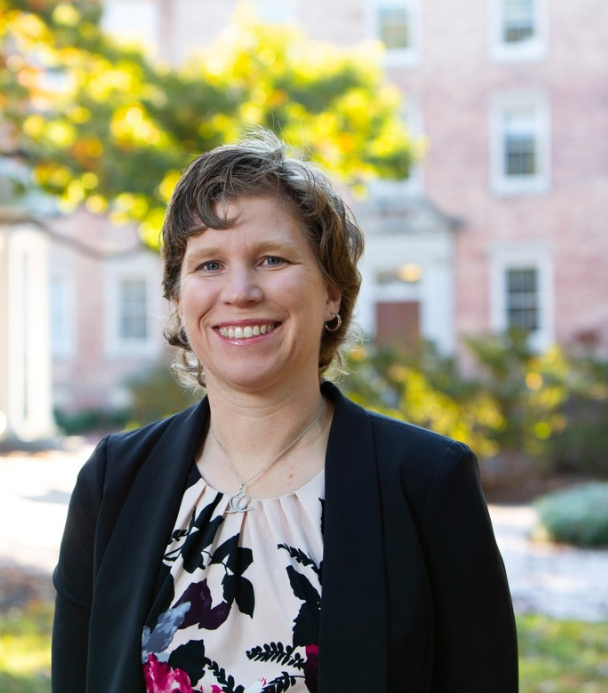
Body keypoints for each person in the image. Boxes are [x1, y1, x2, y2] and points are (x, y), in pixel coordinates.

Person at [51, 130, 518, 693]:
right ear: (177, 298)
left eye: (271, 259)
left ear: (332, 294)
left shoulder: (426, 483)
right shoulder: (113, 481)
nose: (240, 291)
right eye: (208, 265)